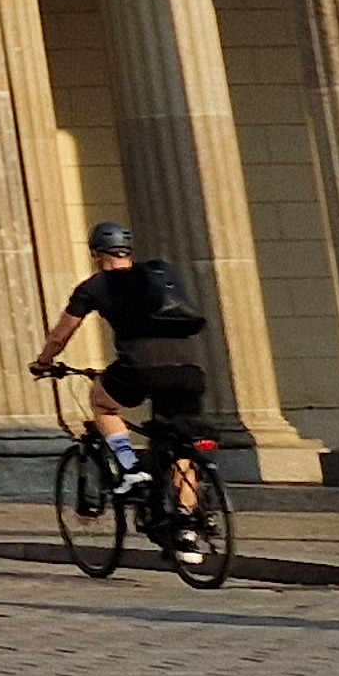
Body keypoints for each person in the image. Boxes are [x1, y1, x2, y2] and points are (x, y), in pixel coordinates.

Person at [29, 221, 213, 538]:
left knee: (102, 404)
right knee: (180, 444)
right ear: (129, 252)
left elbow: (61, 336)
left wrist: (44, 362)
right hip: (189, 366)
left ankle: (130, 468)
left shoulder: (94, 287)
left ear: (96, 254)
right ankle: (187, 527)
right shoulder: (159, 274)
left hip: (140, 365)